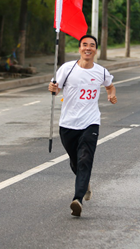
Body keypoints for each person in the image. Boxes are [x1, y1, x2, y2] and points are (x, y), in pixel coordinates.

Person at [48, 35, 117, 217]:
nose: (88, 48)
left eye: (92, 45)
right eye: (84, 45)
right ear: (79, 48)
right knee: (75, 161)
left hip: (90, 122)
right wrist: (53, 89)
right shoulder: (67, 69)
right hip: (68, 124)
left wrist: (111, 94)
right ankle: (84, 183)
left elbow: (110, 86)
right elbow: (56, 88)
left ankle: (77, 199)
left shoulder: (101, 71)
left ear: (96, 49)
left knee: (85, 159)